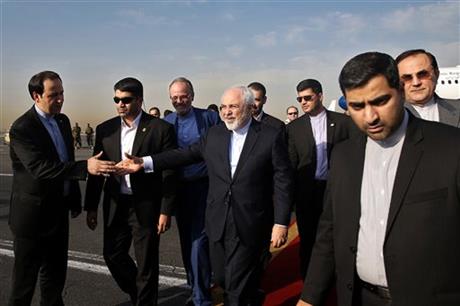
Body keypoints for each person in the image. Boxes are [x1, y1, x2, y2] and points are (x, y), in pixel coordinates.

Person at [297, 52, 460, 306]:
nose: (370, 117)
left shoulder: (451, 147)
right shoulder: (343, 157)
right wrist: (309, 298)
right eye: (357, 107)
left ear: (401, 91)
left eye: (380, 101)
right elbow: (330, 231)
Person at [118, 85, 293, 305]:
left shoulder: (270, 135)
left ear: (248, 107)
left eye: (233, 106)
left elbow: (283, 180)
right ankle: (251, 295)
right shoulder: (214, 134)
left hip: (250, 220)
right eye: (223, 107)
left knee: (237, 284)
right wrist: (144, 162)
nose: (227, 112)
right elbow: (184, 154)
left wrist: (281, 222)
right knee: (221, 276)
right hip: (217, 218)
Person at [8, 70, 116, 306]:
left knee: (55, 279)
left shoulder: (63, 121)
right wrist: (85, 167)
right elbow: (41, 168)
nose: (60, 99)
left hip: (58, 214)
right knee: (24, 284)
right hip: (31, 218)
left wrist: (74, 199)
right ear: (36, 96)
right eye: (53, 94)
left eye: (62, 93)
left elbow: (65, 159)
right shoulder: (22, 128)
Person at [84, 77, 177, 305]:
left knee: (146, 263)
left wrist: (165, 210)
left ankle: (145, 301)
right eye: (116, 99)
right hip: (116, 204)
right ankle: (139, 293)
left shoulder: (161, 129)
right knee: (112, 254)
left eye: (126, 100)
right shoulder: (105, 129)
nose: (120, 104)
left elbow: (170, 171)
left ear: (139, 100)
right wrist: (91, 207)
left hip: (146, 205)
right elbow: (98, 169)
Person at [286, 79, 355, 279]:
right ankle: (309, 279)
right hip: (307, 193)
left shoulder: (343, 123)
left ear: (320, 96)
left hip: (336, 191)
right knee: (308, 239)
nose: (303, 102)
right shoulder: (294, 128)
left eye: (308, 97)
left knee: (337, 237)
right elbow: (291, 164)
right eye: (300, 99)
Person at [164, 77, 220, 306]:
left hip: (205, 188)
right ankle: (195, 285)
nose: (179, 101)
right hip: (179, 191)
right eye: (175, 97)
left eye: (183, 96)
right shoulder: (166, 123)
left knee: (199, 242)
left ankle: (201, 297)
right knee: (187, 241)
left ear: (192, 95)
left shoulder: (209, 117)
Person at [396, 49, 460, 127]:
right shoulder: (389, 116)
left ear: (436, 74)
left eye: (422, 74)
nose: (416, 83)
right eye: (407, 78)